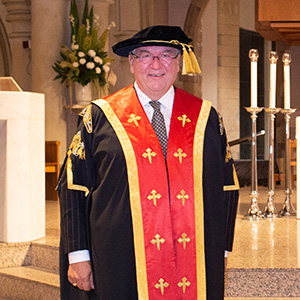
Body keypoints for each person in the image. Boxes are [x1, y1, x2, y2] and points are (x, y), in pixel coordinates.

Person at [58, 25, 239, 300]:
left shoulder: (206, 118)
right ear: (131, 63)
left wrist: (222, 250)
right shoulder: (99, 117)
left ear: (178, 63)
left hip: (194, 255)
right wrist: (78, 255)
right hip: (121, 258)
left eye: (167, 54)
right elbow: (74, 186)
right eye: (145, 55)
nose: (156, 64)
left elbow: (227, 186)